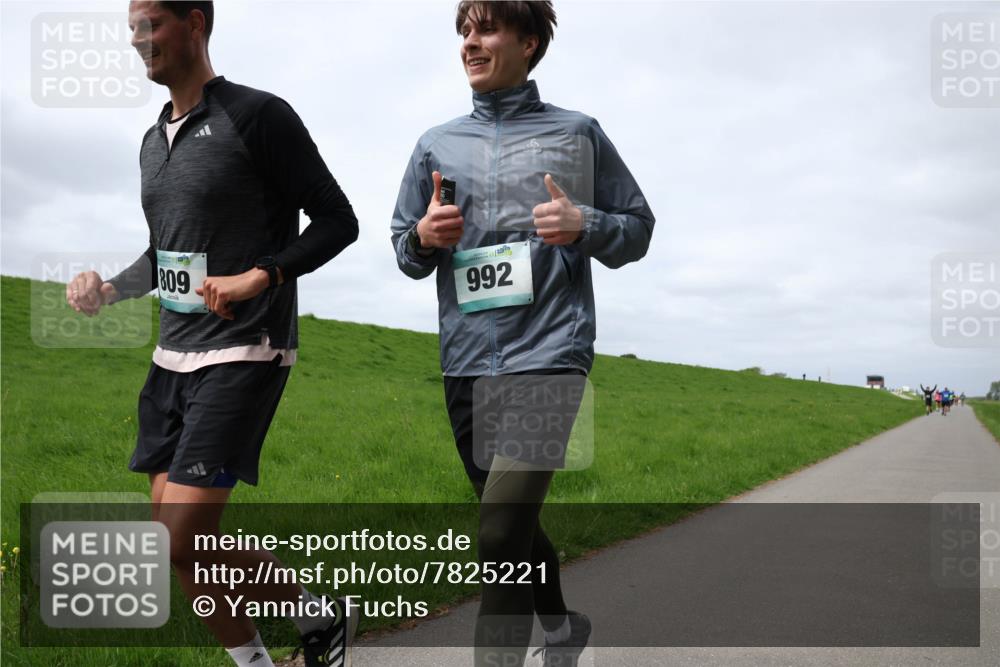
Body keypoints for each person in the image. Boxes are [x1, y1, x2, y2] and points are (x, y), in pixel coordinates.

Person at [66, 3, 359, 666]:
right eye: (133, 29)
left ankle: (320, 614)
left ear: (194, 23)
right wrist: (108, 287)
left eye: (152, 24)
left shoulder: (258, 116)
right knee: (180, 545)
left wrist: (261, 276)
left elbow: (338, 220)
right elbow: (165, 253)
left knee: (181, 535)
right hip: (172, 358)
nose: (140, 40)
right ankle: (291, 640)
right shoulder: (151, 141)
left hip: (244, 350)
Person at [390, 2, 655, 665]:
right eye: (463, 32)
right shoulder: (436, 145)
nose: (470, 43)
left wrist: (584, 222)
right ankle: (564, 629)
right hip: (466, 359)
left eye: (485, 29)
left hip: (551, 352)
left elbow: (638, 227)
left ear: (528, 41)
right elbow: (403, 245)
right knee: (511, 522)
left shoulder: (578, 134)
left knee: (500, 527)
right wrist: (423, 237)